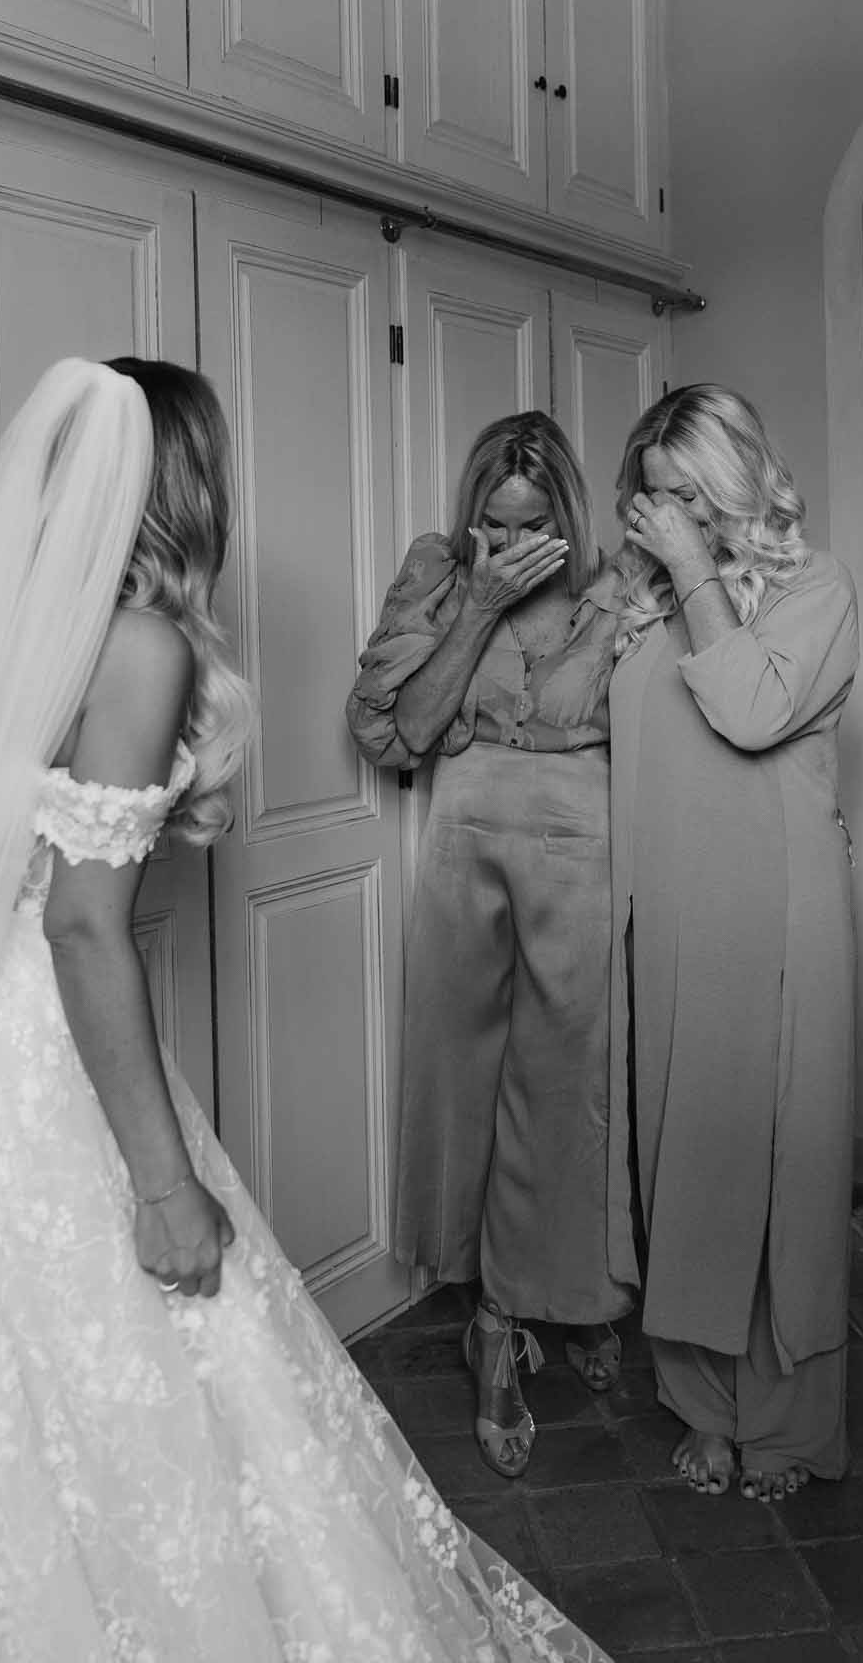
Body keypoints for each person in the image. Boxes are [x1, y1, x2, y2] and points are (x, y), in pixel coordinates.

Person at [0, 357, 615, 1662]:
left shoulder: (20, 621)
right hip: (40, 1033)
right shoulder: (138, 642)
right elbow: (83, 924)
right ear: (184, 483)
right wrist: (160, 1181)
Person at [346, 412, 637, 1482]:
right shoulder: (441, 574)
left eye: (534, 523)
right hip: (464, 841)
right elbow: (397, 732)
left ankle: (560, 1291)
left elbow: (652, 735)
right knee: (462, 1081)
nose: (512, 539)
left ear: (567, 513)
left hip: (584, 848)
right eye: (493, 519)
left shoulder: (621, 588)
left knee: (566, 1089)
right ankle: (493, 1323)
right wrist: (478, 604)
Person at [607, 384, 858, 1503]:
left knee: (783, 1164)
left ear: (732, 487)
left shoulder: (817, 587)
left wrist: (698, 580)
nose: (662, 517)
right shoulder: (649, 601)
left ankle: (790, 1424)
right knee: (688, 1155)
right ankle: (703, 1403)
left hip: (781, 911)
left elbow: (752, 710)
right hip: (670, 909)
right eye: (650, 496)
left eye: (683, 496)